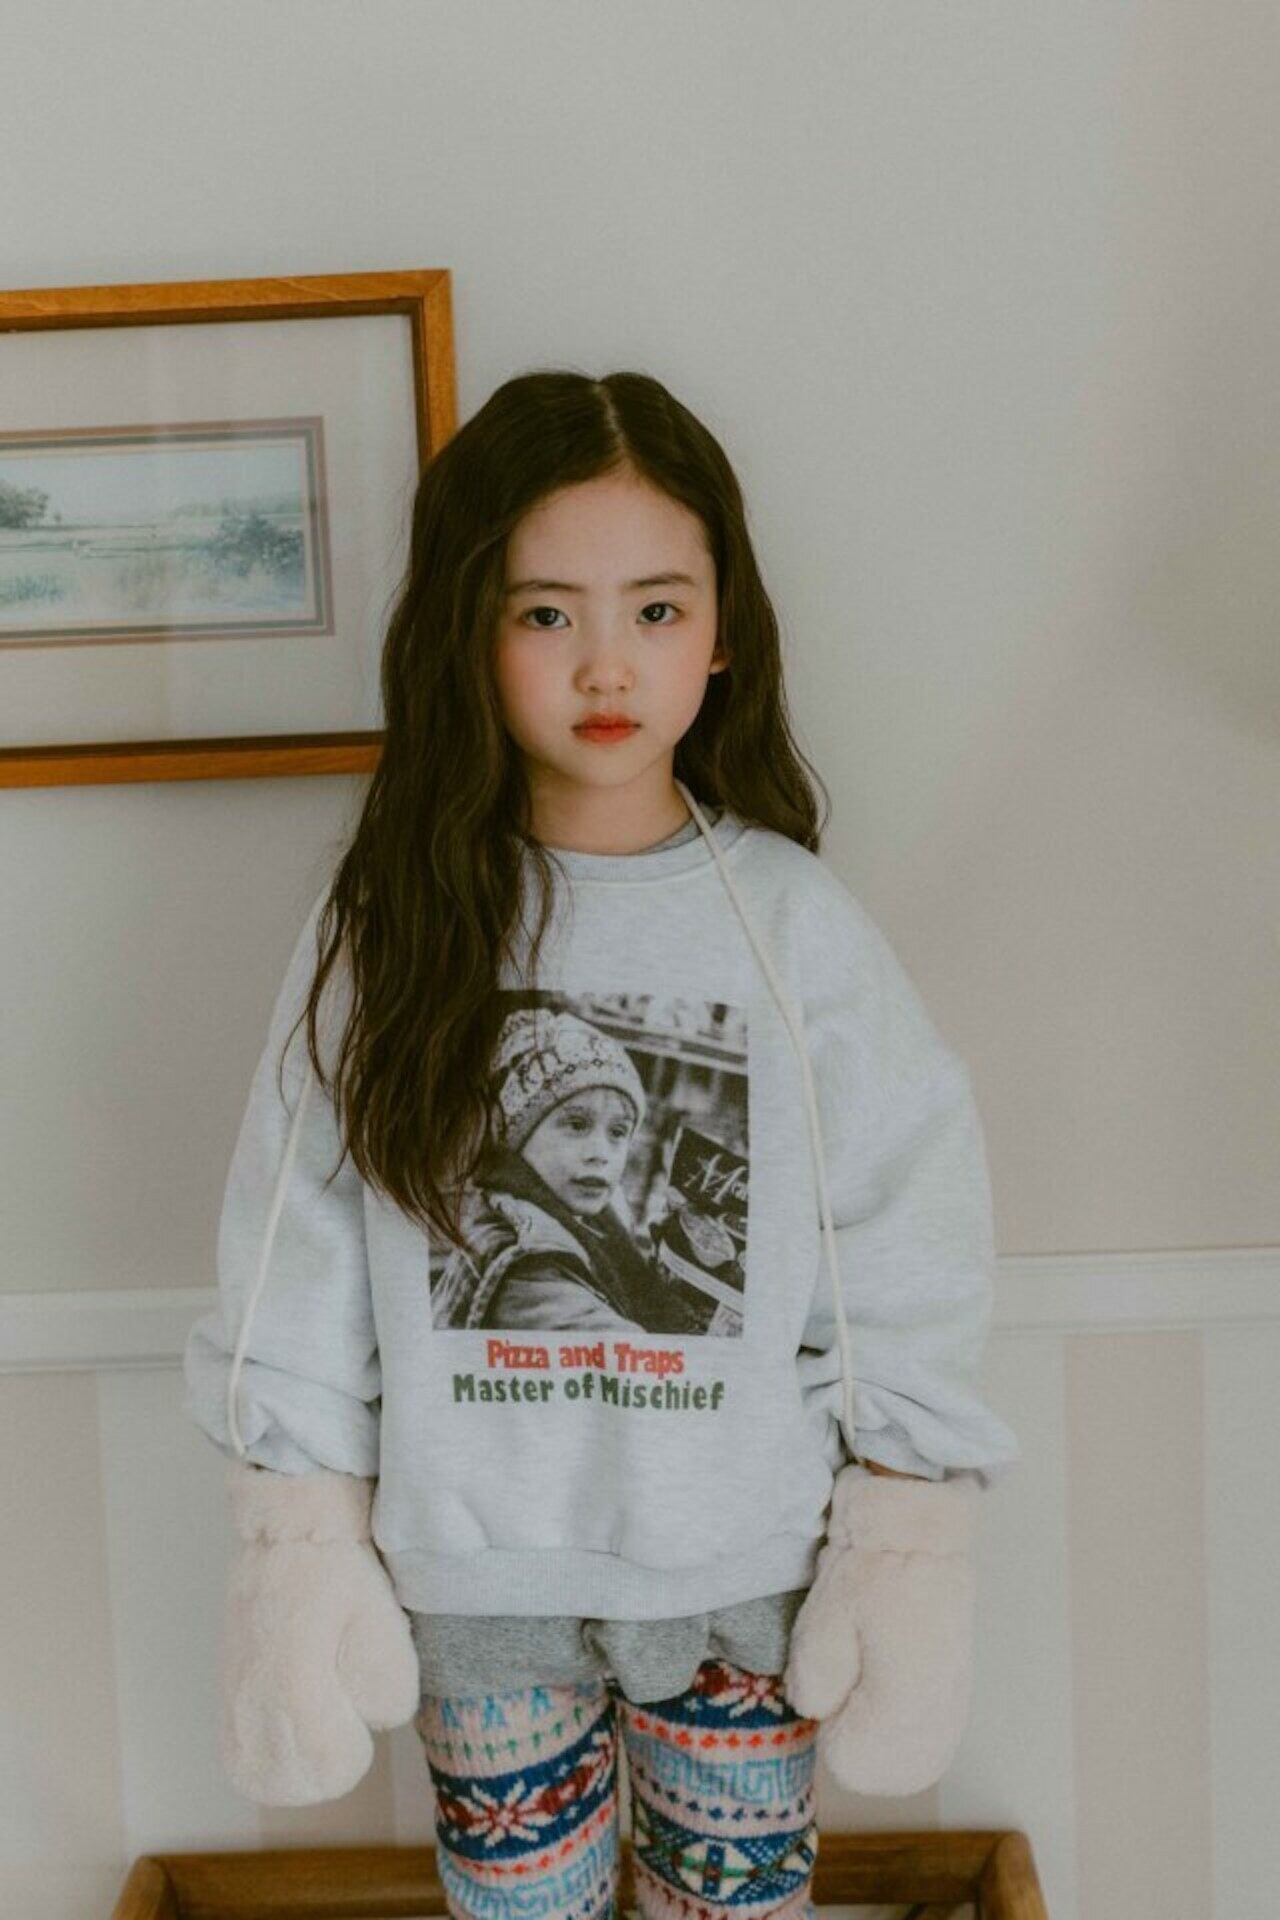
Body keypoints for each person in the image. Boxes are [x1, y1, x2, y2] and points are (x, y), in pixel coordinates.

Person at [183, 370, 1020, 1920]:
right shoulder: (389, 924)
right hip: (479, 1590)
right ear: (470, 631)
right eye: (546, 613)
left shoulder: (791, 927)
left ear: (722, 631)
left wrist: (906, 1535)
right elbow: (293, 1246)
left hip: (744, 1579)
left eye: (655, 608)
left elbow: (903, 1234)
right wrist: (296, 1541)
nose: (605, 664)